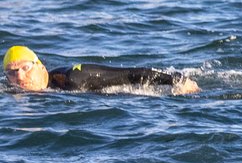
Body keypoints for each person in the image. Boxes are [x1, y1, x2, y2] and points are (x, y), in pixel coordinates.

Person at [4, 44, 196, 95]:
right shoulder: (12, 91)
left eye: (25, 68)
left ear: (41, 67)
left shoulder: (76, 77)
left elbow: (129, 75)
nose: (19, 76)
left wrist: (177, 81)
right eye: (11, 72)